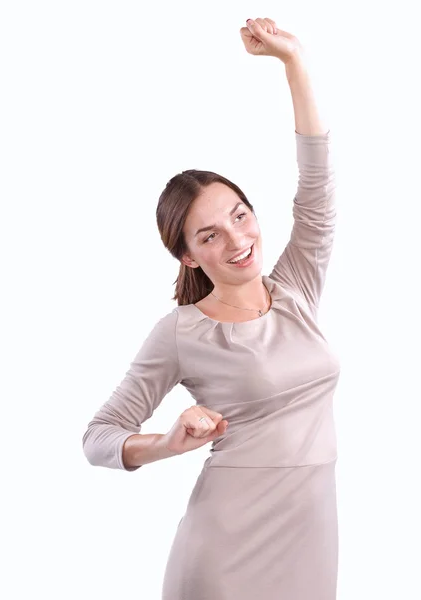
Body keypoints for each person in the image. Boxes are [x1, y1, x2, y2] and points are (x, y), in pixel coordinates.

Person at [82, 16, 340, 600]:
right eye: (209, 236)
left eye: (239, 216)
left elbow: (317, 183)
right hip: (224, 551)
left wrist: (294, 61)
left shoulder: (296, 288)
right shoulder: (182, 334)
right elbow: (99, 437)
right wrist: (167, 443)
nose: (236, 240)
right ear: (189, 257)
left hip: (313, 538)